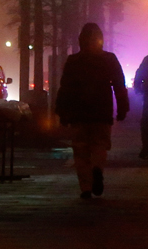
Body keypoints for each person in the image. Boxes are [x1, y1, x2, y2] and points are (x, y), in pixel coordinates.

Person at [54, 22, 130, 199]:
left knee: (80, 148)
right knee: (100, 144)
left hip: (79, 113)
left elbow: (65, 88)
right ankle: (97, 167)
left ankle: (85, 187)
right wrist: (123, 108)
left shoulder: (74, 62)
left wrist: (62, 111)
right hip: (102, 111)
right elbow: (119, 85)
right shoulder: (109, 59)